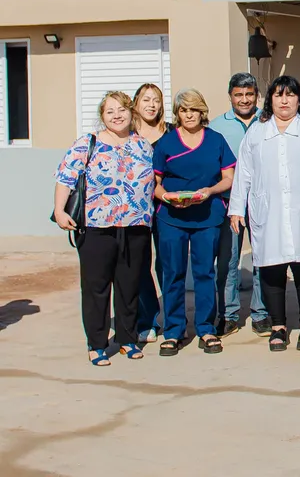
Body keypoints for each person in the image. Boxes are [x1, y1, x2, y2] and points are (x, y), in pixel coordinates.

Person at [54, 91, 154, 365]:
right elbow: (65, 178)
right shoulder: (87, 143)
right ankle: (97, 344)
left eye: (122, 110)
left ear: (131, 113)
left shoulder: (143, 145)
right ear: (102, 116)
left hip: (135, 226)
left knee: (129, 286)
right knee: (96, 288)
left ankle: (127, 339)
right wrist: (60, 211)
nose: (117, 116)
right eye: (110, 111)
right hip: (96, 228)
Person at [230, 76, 300, 352]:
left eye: (290, 95)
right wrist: (236, 208)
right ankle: (277, 327)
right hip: (268, 210)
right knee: (271, 267)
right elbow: (243, 173)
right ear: (270, 100)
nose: (284, 101)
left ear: (299, 99)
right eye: (278, 95)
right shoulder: (257, 132)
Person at [152, 89, 235, 356]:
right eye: (183, 110)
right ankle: (173, 331)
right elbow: (154, 183)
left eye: (194, 110)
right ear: (177, 114)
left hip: (207, 216)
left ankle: (206, 329)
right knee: (173, 273)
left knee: (204, 273)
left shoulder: (216, 140)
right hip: (171, 218)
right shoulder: (166, 143)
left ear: (203, 112)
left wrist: (210, 191)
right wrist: (167, 197)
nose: (189, 115)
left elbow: (228, 177)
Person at [208, 72, 270, 338]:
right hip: (229, 202)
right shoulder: (216, 126)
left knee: (263, 258)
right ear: (230, 96)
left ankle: (261, 313)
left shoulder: (268, 120)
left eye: (249, 94)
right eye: (238, 95)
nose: (244, 100)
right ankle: (228, 314)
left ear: (257, 95)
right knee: (228, 260)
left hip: (262, 202)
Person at [132, 83, 173, 343]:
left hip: (165, 207)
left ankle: (173, 319)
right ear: (136, 102)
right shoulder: (126, 132)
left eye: (156, 100)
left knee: (167, 265)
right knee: (138, 264)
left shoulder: (171, 132)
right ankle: (147, 320)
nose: (151, 105)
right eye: (146, 99)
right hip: (134, 211)